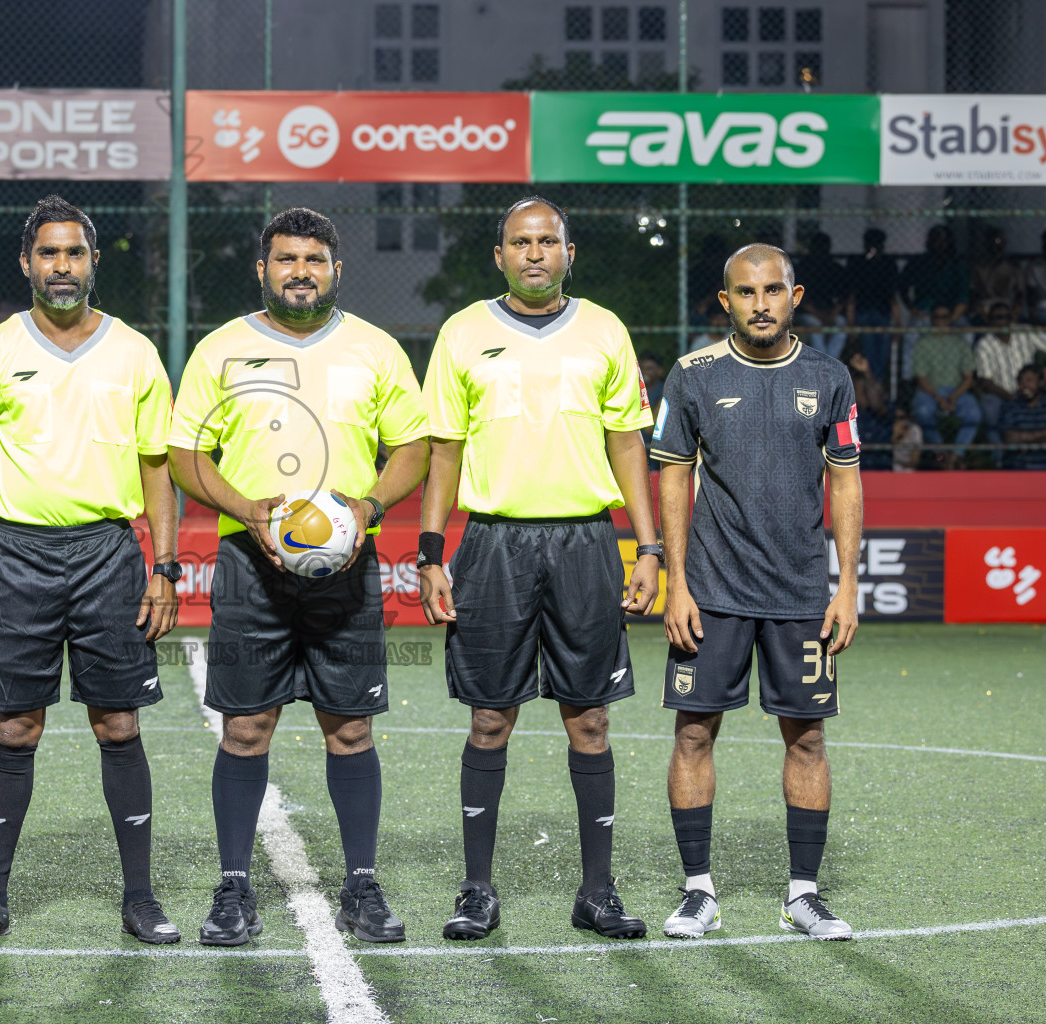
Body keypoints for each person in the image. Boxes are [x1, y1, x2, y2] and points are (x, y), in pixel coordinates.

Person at [168, 207, 429, 947]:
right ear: (263, 269)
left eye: (315, 259)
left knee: (350, 728)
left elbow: (412, 447)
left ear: (335, 269)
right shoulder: (221, 350)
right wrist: (245, 509)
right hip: (251, 566)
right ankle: (233, 890)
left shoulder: (375, 350)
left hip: (349, 566)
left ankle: (362, 885)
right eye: (286, 259)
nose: (301, 271)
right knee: (246, 728)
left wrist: (370, 504)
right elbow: (187, 454)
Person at [417, 196, 659, 943]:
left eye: (546, 240)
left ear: (568, 251)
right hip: (492, 544)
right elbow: (445, 452)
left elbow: (627, 445)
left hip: (587, 541)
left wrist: (648, 546)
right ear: (500, 256)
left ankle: (597, 891)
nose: (533, 253)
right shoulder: (462, 333)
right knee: (491, 718)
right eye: (520, 242)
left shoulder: (604, 330)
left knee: (589, 717)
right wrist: (431, 551)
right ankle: (477, 891)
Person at [0, 196, 183, 947]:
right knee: (16, 725)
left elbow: (157, 467)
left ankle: (140, 898)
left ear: (93, 261)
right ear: (27, 263)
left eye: (74, 253)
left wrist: (165, 567)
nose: (61, 266)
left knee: (118, 721)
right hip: (17, 557)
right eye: (48, 254)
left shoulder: (135, 352)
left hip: (110, 555)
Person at [650, 243, 862, 942]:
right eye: (746, 293)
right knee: (693, 733)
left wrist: (847, 584)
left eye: (773, 290)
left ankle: (803, 895)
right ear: (726, 301)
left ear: (794, 296)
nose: (761, 303)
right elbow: (673, 476)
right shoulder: (694, 374)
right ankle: (698, 892)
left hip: (802, 593)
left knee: (807, 739)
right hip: (710, 590)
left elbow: (845, 480)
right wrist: (677, 583)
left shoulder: (830, 378)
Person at [910, 304, 982, 463]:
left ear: (950, 320)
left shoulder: (960, 343)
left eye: (944, 317)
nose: (941, 321)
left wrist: (954, 397)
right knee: (922, 411)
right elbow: (921, 378)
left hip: (957, 391)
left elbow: (969, 377)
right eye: (937, 317)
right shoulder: (923, 343)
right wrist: (938, 398)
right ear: (932, 320)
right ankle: (941, 453)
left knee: (974, 413)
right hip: (930, 392)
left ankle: (956, 455)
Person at [973, 300, 1046, 449]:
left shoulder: (1024, 332)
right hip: (1002, 393)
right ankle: (1002, 458)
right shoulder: (984, 344)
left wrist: (1042, 379)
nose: (1003, 322)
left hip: (1032, 389)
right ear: (990, 321)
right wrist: (1012, 397)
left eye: (1006, 317)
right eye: (998, 318)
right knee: (990, 408)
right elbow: (985, 381)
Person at [844, 228, 902, 386]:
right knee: (871, 347)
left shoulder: (887, 264)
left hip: (881, 314)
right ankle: (875, 383)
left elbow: (893, 297)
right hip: (864, 314)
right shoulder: (857, 263)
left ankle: (876, 383)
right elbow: (852, 296)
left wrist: (897, 324)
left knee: (880, 351)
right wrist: (851, 325)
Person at [795, 232, 849, 357]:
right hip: (809, 313)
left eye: (824, 247)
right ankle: (825, 366)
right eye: (818, 247)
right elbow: (802, 301)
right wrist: (821, 316)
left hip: (831, 311)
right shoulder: (803, 267)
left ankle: (828, 365)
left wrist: (832, 314)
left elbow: (842, 297)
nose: (821, 251)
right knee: (815, 329)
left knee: (841, 327)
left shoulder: (834, 268)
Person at [970, 226, 1024, 318]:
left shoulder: (1013, 266)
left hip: (1007, 306)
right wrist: (982, 313)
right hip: (986, 307)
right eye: (992, 241)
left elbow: (1020, 294)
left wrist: (1015, 313)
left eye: (999, 241)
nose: (995, 245)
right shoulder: (980, 266)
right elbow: (973, 293)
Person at [1001, 365, 1046, 470]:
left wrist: (1025, 439)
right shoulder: (1010, 406)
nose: (1024, 385)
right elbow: (1010, 438)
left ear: (1040, 383)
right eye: (1021, 382)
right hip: (1019, 464)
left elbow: (1019, 438)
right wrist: (1043, 435)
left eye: (1029, 381)